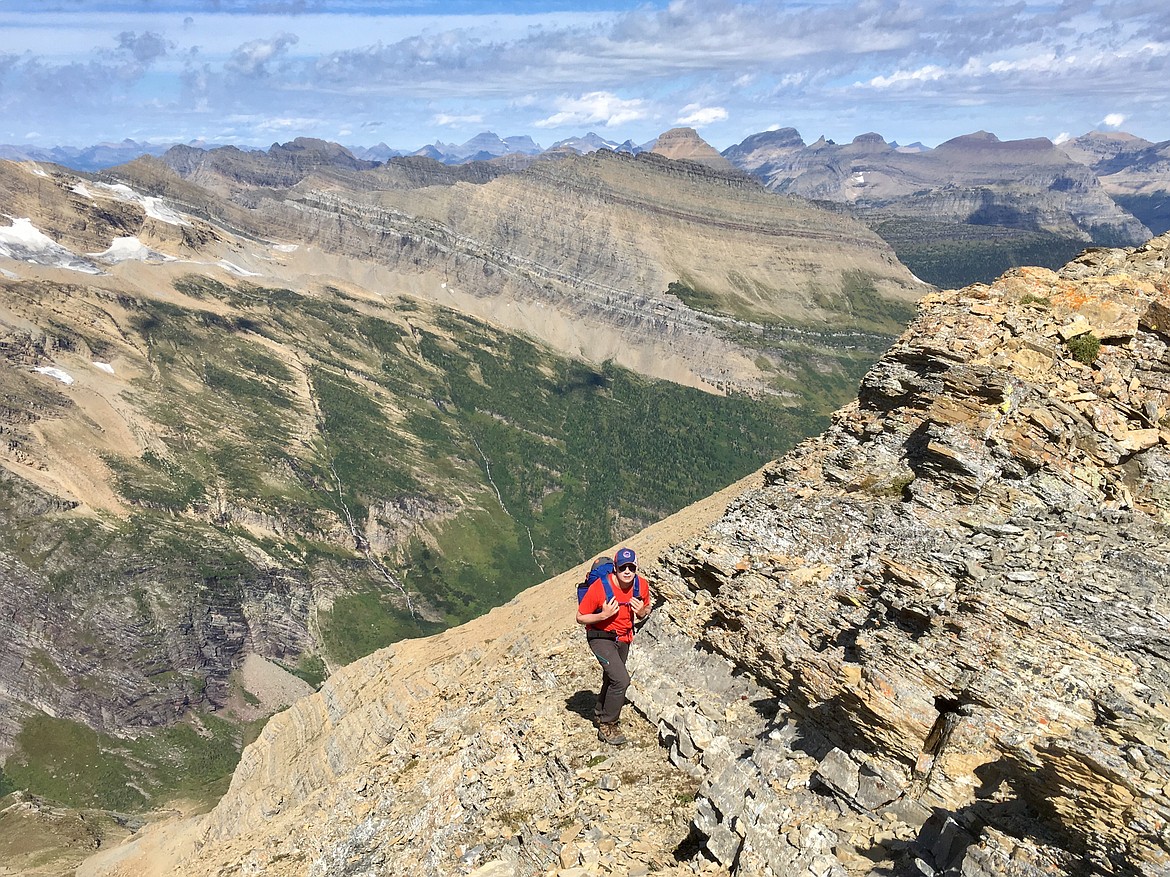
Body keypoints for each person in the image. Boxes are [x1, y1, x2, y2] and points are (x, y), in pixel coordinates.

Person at [576, 546, 652, 745]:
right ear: (615, 569)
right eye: (622, 568)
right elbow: (580, 617)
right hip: (600, 637)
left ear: (636, 568)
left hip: (624, 638)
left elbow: (646, 609)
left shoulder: (641, 585)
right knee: (621, 680)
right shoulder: (600, 587)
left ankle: (600, 712)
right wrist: (603, 615)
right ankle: (608, 724)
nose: (627, 572)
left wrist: (642, 612)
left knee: (611, 678)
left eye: (631, 567)